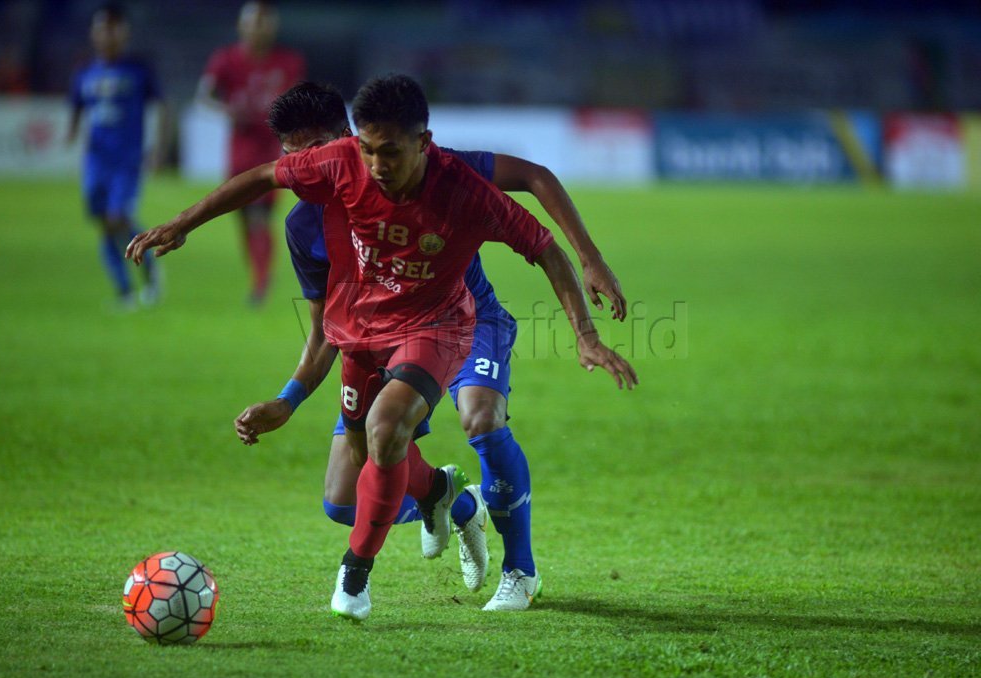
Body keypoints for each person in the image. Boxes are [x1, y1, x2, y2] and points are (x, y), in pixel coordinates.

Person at [126, 74, 637, 622]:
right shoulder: (308, 222)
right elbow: (324, 320)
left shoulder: (443, 169)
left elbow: (534, 181)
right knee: (344, 498)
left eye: (317, 151)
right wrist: (290, 398)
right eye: (295, 157)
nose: (308, 168)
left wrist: (589, 268)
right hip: (374, 336)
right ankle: (449, 497)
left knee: (479, 418)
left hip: (461, 318)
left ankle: (520, 569)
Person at [197, 0, 305, 305]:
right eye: (254, 21)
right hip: (240, 149)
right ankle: (258, 274)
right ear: (241, 26)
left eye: (265, 21)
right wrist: (227, 110)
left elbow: (299, 98)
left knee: (259, 216)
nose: (259, 28)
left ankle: (261, 283)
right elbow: (204, 96)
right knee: (245, 217)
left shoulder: (288, 61)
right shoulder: (225, 59)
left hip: (271, 148)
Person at [68, 3, 165, 308]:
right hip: (96, 161)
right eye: (101, 28)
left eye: (113, 28)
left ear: (124, 33)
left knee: (117, 217)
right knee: (105, 222)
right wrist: (71, 132)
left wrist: (159, 147)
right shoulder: (85, 72)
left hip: (126, 159)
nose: (107, 35)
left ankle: (149, 272)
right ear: (93, 33)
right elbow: (77, 107)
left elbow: (163, 106)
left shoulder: (138, 70)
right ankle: (124, 293)